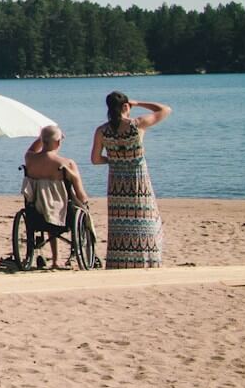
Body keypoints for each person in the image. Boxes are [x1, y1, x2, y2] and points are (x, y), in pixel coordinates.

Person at [91, 91, 170, 269]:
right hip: (138, 180)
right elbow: (165, 109)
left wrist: (115, 159)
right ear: (126, 107)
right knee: (147, 219)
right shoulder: (137, 124)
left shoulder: (102, 130)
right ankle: (146, 259)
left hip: (117, 183)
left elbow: (95, 159)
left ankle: (120, 261)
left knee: (120, 222)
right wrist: (138, 102)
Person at [22, 124, 91, 269]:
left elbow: (31, 150)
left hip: (36, 212)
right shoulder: (66, 163)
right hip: (61, 213)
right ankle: (63, 257)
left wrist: (42, 138)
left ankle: (55, 259)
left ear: (43, 140)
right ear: (58, 142)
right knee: (82, 207)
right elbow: (81, 195)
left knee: (48, 206)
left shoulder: (29, 159)